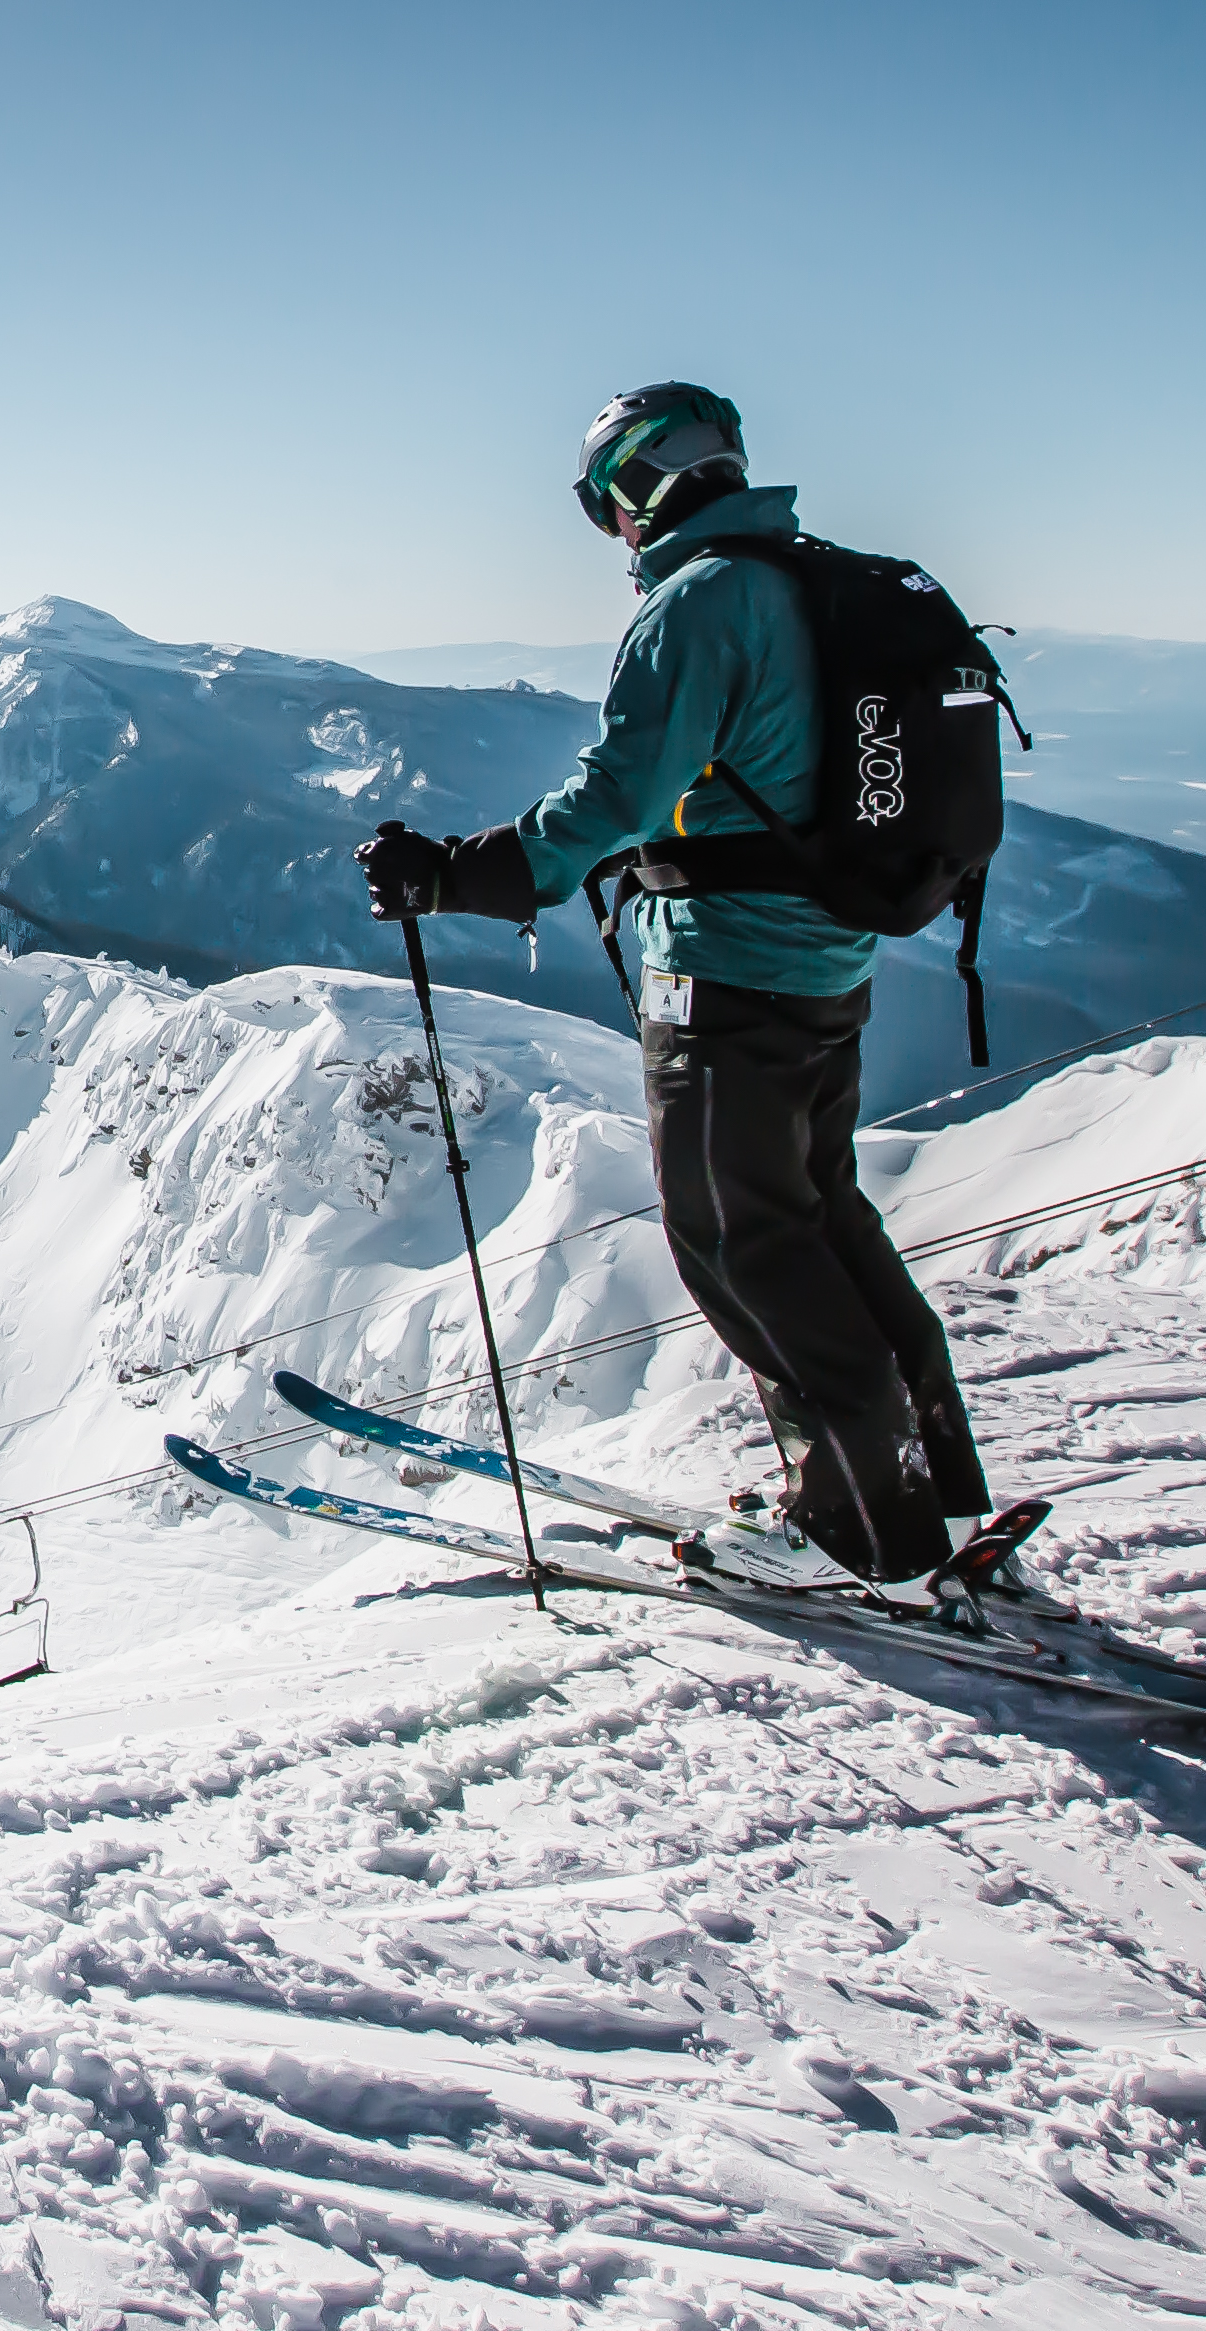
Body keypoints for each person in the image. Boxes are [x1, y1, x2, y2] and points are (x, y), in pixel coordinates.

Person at [355, 384, 994, 1584]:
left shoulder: (701, 604)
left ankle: (862, 1530)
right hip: (826, 968)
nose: (617, 537)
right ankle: (937, 1496)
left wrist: (454, 877)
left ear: (640, 486)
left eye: (607, 507)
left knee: (741, 1243)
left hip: (726, 978)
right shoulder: (806, 581)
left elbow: (618, 799)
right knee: (824, 1222)